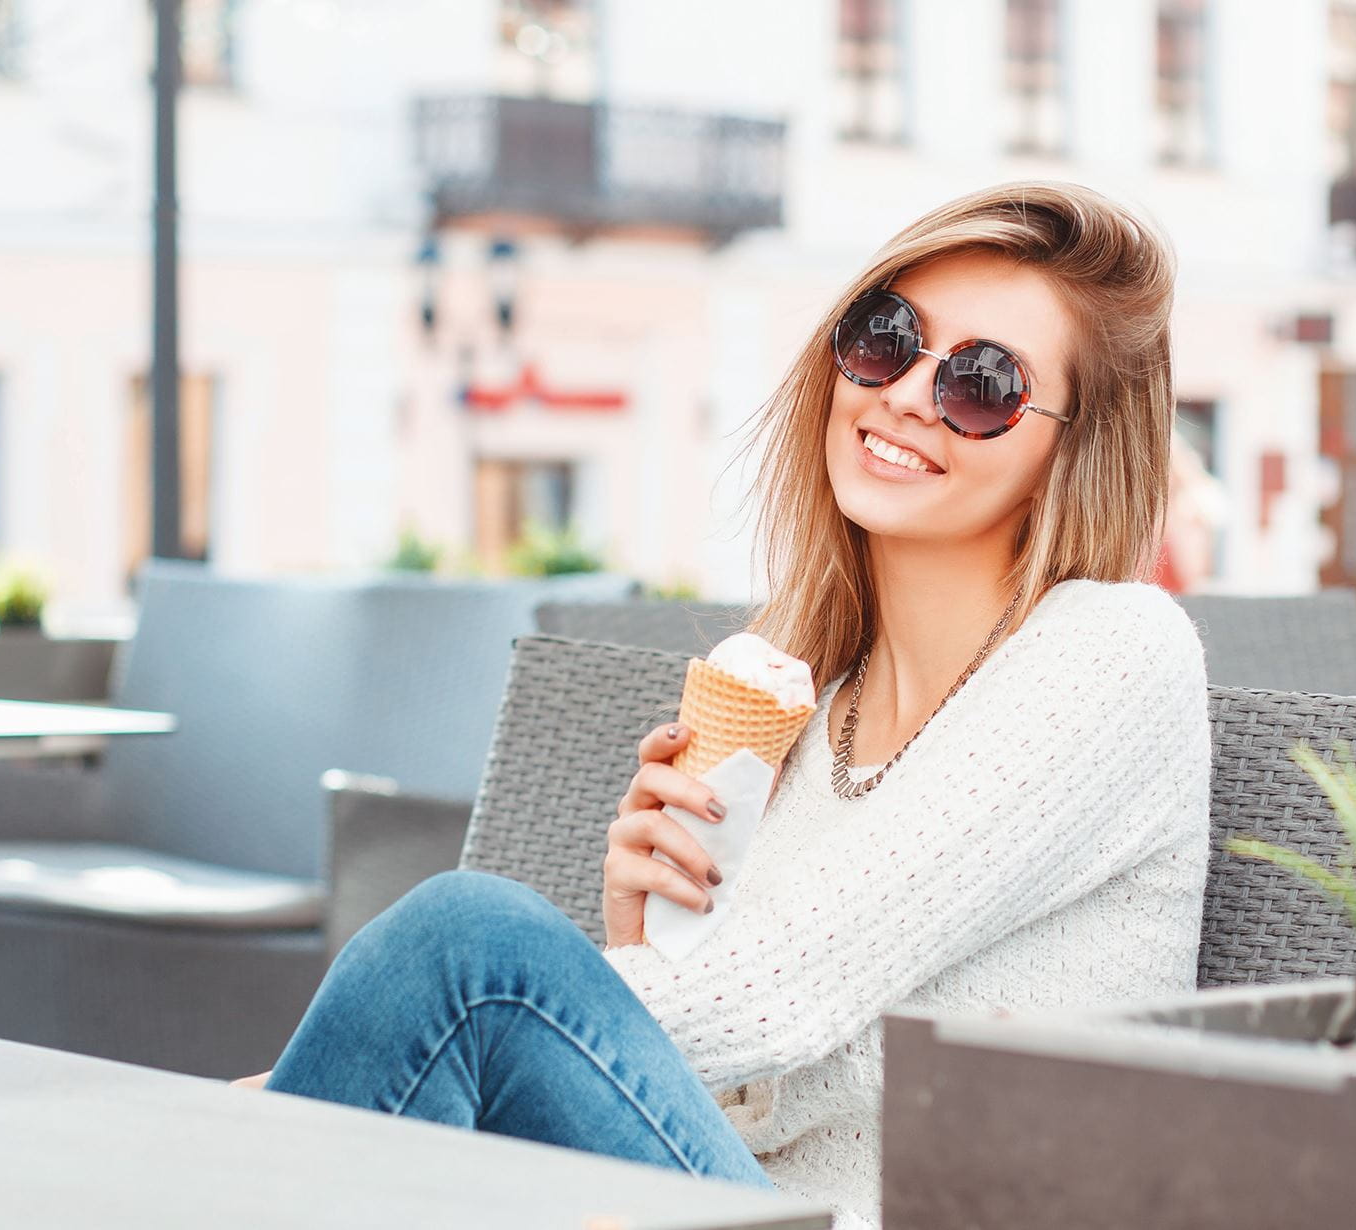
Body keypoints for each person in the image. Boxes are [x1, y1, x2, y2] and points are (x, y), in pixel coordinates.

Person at [235, 181, 1212, 1230]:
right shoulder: (803, 701)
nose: (906, 397)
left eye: (983, 384)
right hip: (726, 1204)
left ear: (1067, 449)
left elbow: (774, 998)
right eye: (886, 338)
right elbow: (722, 1079)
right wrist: (639, 936)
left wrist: (347, 1072)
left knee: (470, 948)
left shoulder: (1112, 651)